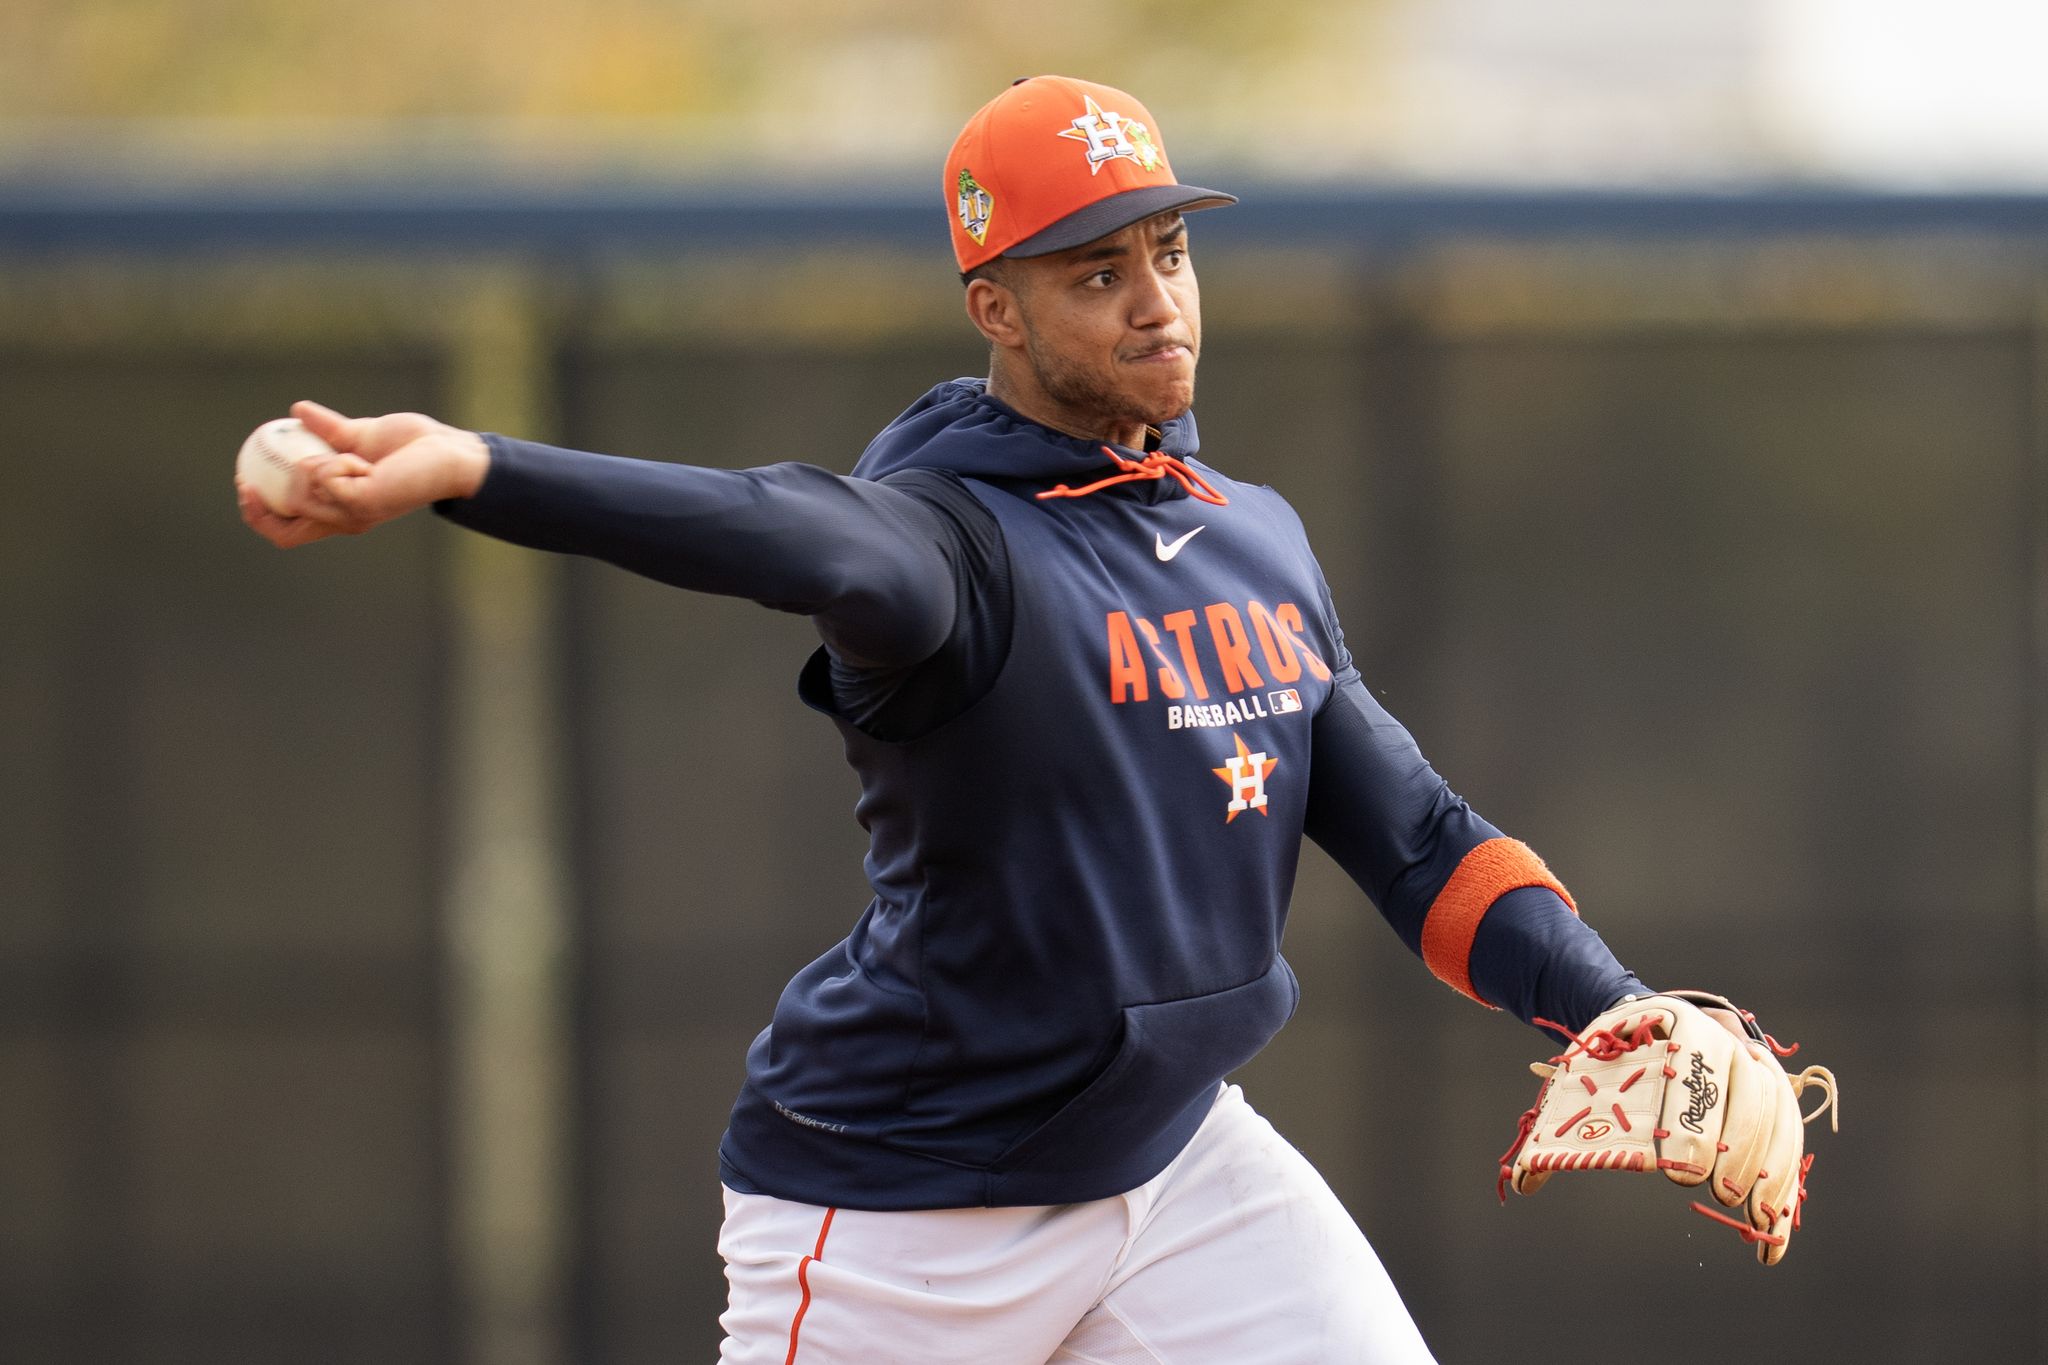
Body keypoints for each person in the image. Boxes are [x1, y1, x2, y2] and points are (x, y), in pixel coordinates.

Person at [241, 75, 1649, 1365]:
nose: (1156, 301)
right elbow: (776, 524)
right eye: (1096, 272)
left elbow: (1417, 841)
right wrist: (474, 466)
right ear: (997, 310)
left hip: (1173, 1164)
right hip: (907, 1212)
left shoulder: (1250, 539)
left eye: (1169, 252)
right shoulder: (949, 546)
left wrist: (1620, 1013)